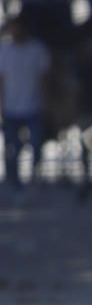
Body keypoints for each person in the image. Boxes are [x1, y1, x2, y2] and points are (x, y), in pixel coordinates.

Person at [0, 17, 50, 192]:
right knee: (11, 147)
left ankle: (35, 177)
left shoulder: (37, 50)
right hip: (10, 107)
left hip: (33, 106)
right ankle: (13, 181)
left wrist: (44, 102)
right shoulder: (4, 50)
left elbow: (44, 79)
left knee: (36, 144)